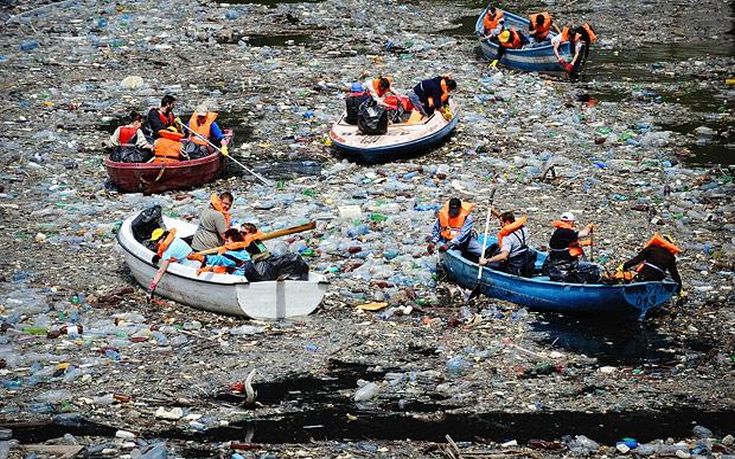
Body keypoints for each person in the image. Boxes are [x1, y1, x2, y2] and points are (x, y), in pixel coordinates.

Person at [542, 212, 601, 283]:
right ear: (570, 222)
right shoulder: (566, 231)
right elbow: (583, 234)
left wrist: (584, 243)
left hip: (556, 261)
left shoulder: (559, 231)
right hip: (564, 264)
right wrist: (588, 227)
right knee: (595, 267)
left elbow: (568, 243)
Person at [620, 234, 684, 295]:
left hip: (644, 274)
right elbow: (675, 274)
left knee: (635, 276)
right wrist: (679, 290)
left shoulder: (651, 249)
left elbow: (636, 260)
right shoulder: (671, 257)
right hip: (657, 278)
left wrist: (624, 266)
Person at [479, 212, 536, 277]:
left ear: (507, 222)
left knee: (491, 264)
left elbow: (503, 256)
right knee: (495, 246)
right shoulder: (523, 228)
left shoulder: (508, 238)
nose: (500, 225)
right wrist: (493, 211)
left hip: (514, 265)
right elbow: (508, 220)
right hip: (525, 258)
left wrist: (487, 261)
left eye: (501, 223)